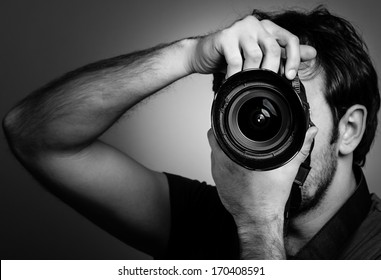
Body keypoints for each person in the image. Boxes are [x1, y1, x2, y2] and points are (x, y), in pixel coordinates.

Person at [3, 6, 381, 259]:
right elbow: (34, 135)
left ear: (349, 129)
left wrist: (258, 223)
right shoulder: (211, 217)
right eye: (252, 104)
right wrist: (186, 55)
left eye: (288, 108)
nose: (264, 124)